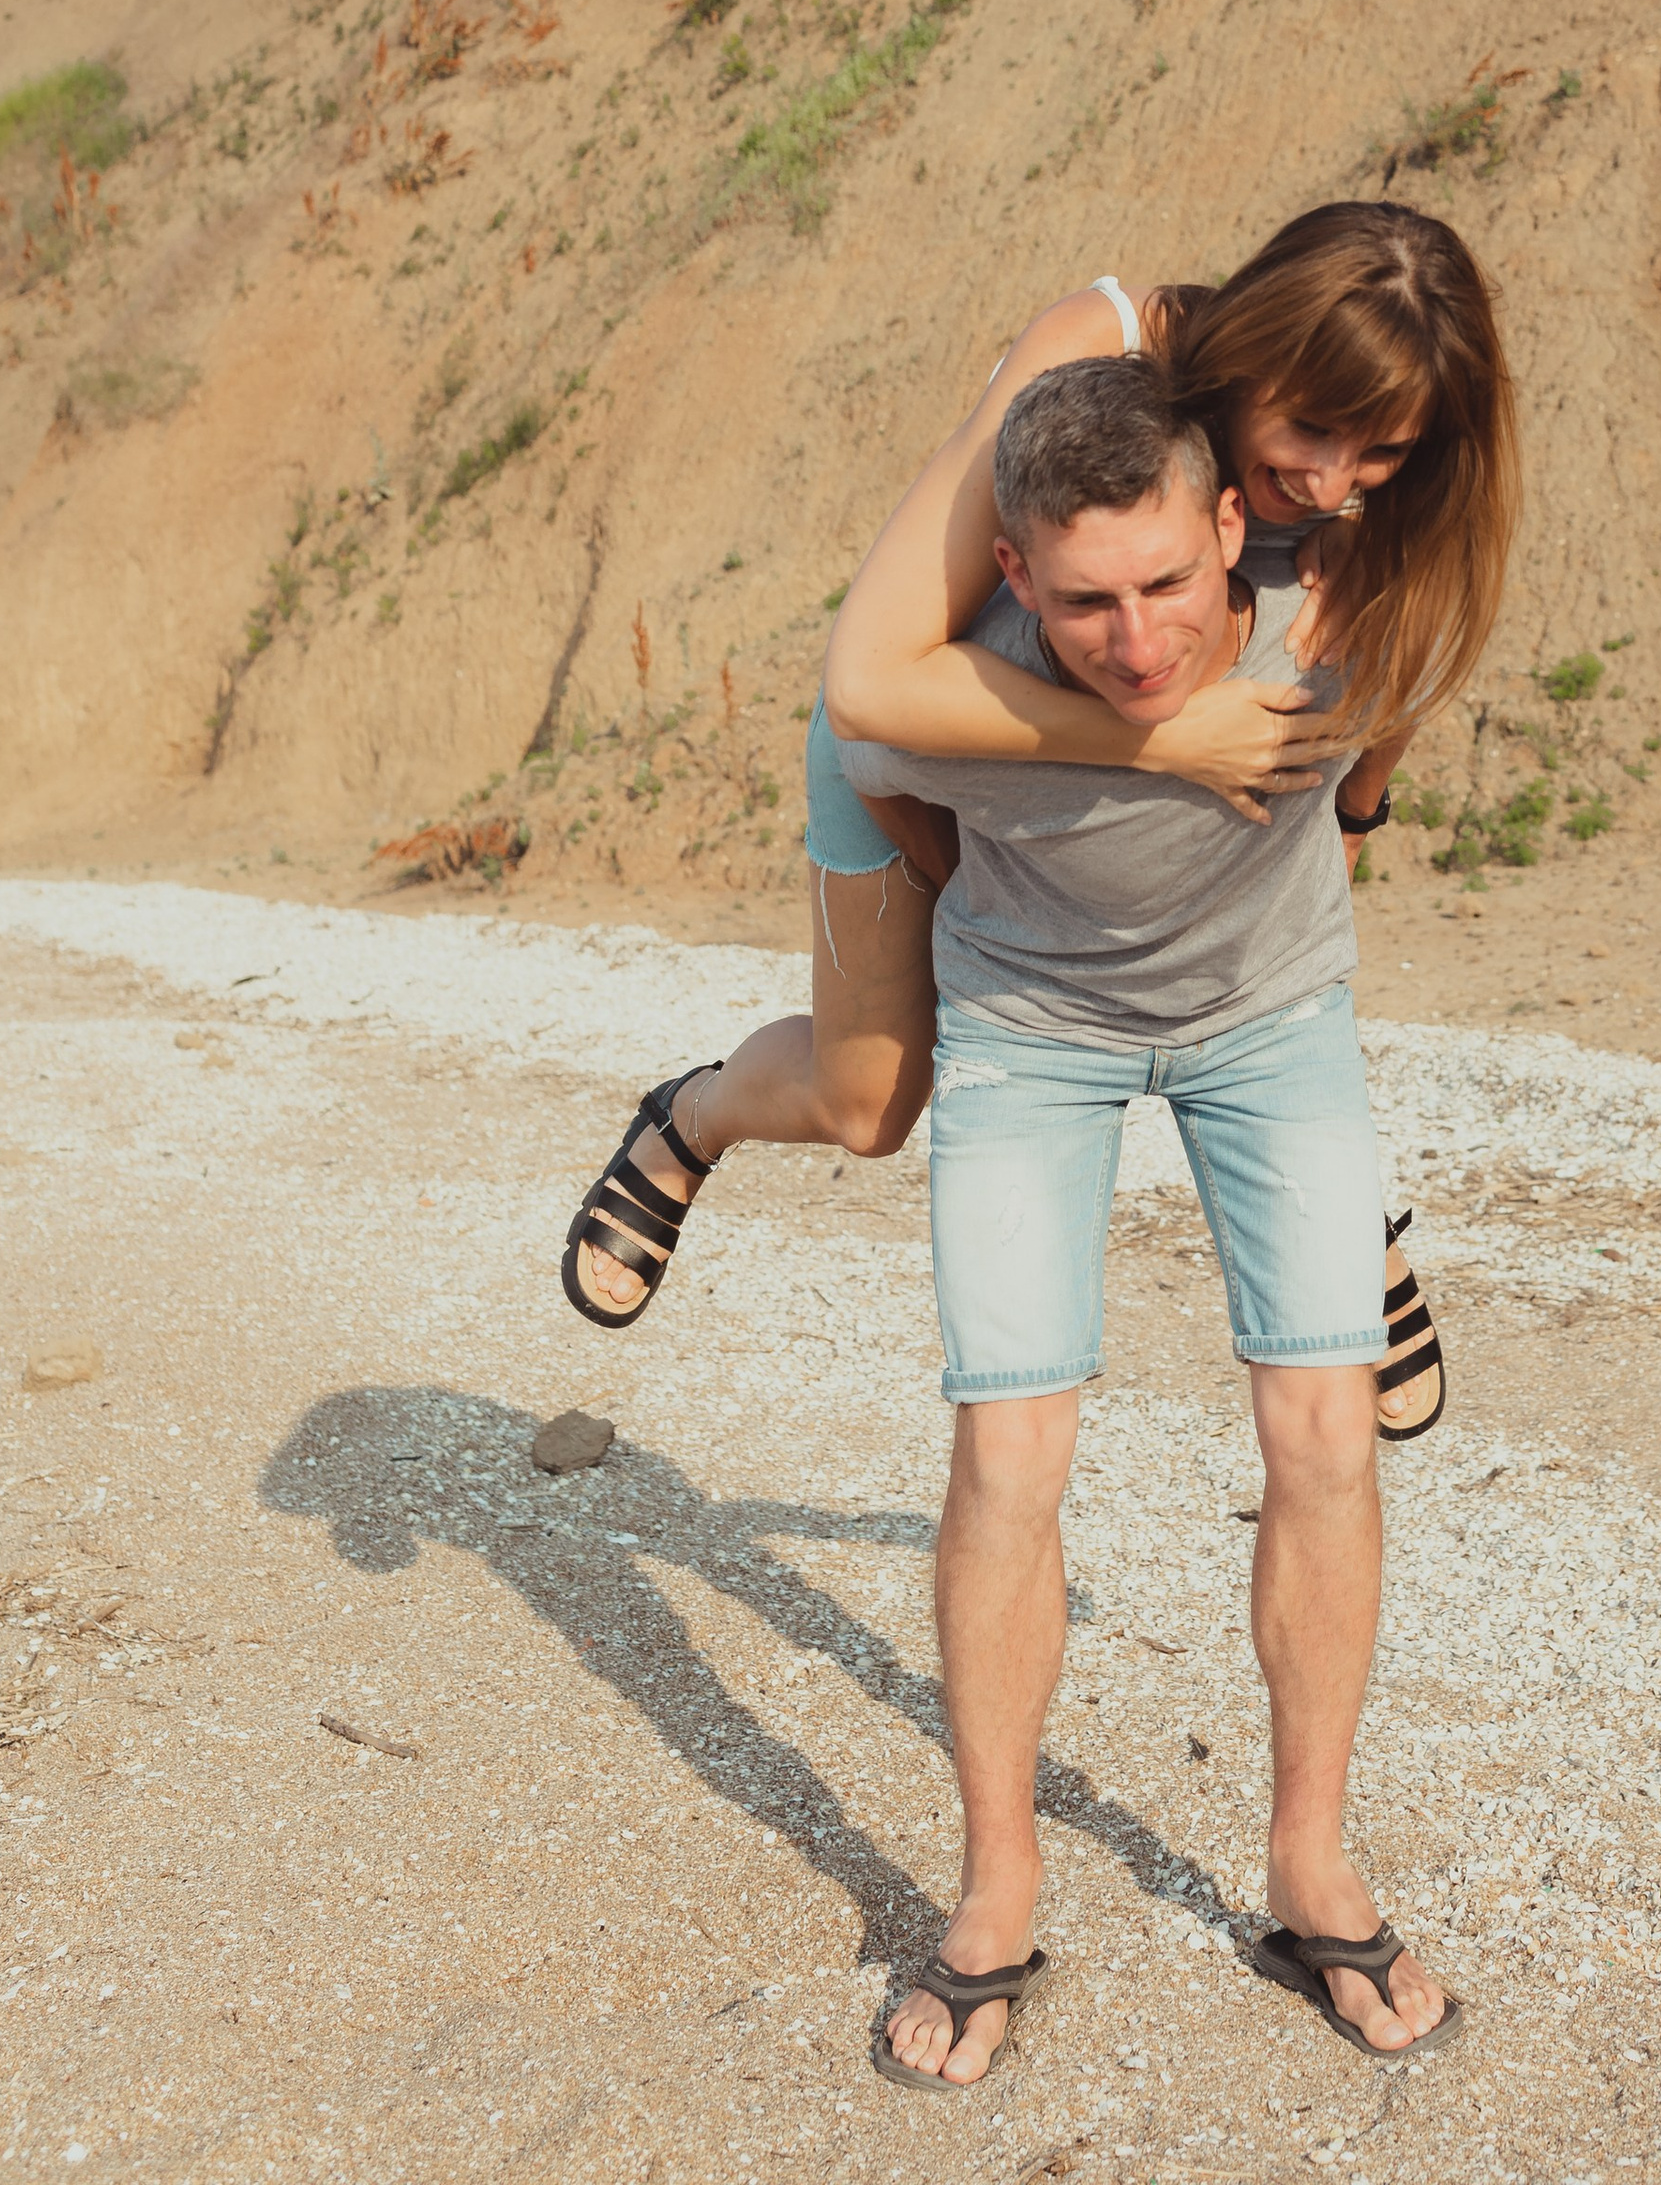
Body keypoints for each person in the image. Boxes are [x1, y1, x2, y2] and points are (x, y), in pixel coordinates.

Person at [559, 202, 1519, 1441]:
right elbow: (876, 682)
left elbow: (1413, 637)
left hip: (1178, 725)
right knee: (870, 1108)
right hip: (944, 726)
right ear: (1254, 353)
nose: (1333, 486)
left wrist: (1354, 811)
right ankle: (690, 1117)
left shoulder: (1387, 473)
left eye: (1378, 453)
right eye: (1312, 433)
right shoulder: (1092, 347)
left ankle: (1341, 1233)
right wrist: (1162, 741)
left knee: (1266, 1021)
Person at [849, 353, 1462, 2089]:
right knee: (1006, 1456)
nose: (1132, 642)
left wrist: (1356, 811)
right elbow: (874, 765)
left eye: (1169, 588)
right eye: (1088, 602)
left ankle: (1309, 1860)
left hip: (1274, 1023)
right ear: (1022, 576)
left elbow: (1394, 696)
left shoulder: (1327, 595)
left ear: (1226, 524)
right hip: (1032, 1037)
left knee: (1327, 1433)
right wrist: (998, 903)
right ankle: (994, 1889)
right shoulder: (948, 691)